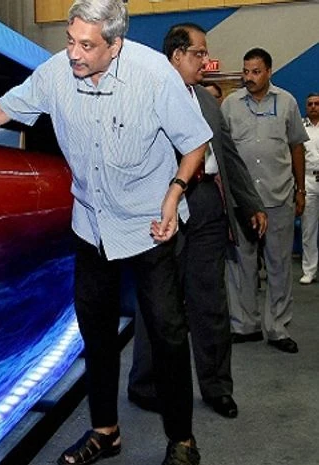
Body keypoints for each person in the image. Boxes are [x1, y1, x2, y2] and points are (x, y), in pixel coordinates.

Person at [0, 1, 210, 464]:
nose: (74, 53)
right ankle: (105, 432)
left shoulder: (155, 75)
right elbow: (5, 108)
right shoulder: (56, 73)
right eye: (69, 39)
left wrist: (174, 192)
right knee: (95, 331)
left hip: (149, 224)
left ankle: (182, 441)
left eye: (87, 45)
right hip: (91, 223)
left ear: (115, 45)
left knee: (166, 331)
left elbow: (195, 143)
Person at [127, 23, 267, 421]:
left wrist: (249, 202)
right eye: (199, 53)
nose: (206, 60)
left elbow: (229, 156)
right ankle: (144, 385)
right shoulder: (146, 98)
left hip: (206, 205)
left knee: (211, 302)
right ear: (176, 56)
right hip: (163, 207)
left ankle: (217, 387)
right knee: (157, 301)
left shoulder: (207, 102)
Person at [221, 48, 309, 354]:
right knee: (240, 265)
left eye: (255, 71)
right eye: (246, 71)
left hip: (278, 197)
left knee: (279, 265)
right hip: (241, 200)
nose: (249, 77)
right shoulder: (230, 104)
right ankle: (245, 325)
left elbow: (297, 146)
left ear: (269, 71)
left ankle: (277, 327)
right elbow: (222, 153)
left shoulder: (287, 102)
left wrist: (300, 190)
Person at [300, 93, 319, 284]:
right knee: (309, 228)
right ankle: (309, 270)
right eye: (310, 104)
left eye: (317, 104)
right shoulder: (300, 127)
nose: (313, 107)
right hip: (308, 179)